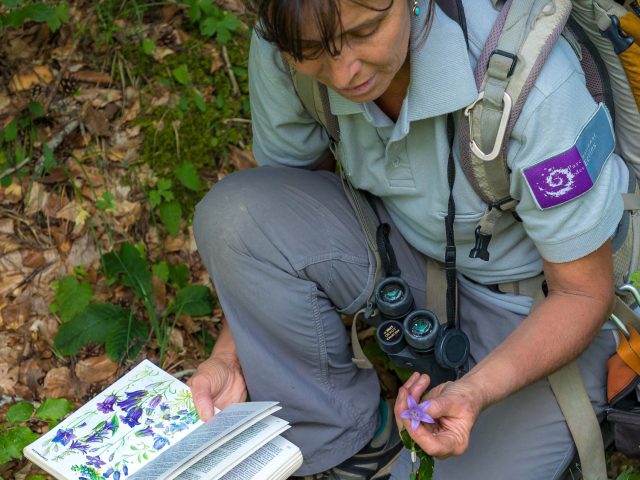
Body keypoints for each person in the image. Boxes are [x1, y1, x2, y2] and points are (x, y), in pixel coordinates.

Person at [189, 0, 629, 478]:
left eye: (366, 30)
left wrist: (475, 390)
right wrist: (231, 354)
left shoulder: (532, 86)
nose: (343, 73)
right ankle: (349, 447)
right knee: (236, 216)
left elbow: (583, 292)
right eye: (314, 51)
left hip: (542, 305)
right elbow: (278, 211)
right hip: (412, 253)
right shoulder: (289, 38)